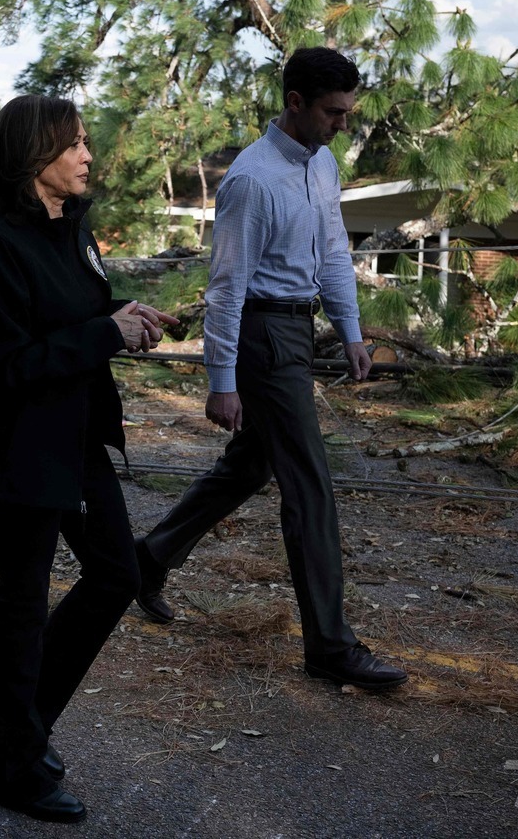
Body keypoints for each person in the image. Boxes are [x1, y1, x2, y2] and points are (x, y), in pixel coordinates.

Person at [133, 48, 408, 691]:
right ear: (295, 103)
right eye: (333, 112)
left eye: (348, 111)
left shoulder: (323, 162)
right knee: (309, 484)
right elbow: (225, 286)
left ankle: (147, 560)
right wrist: (220, 379)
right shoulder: (252, 180)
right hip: (261, 334)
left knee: (252, 463)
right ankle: (331, 647)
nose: (343, 123)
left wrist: (349, 330)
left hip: (297, 328)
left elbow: (335, 252)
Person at [0, 95, 179, 824]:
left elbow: (79, 319)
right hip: (18, 448)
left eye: (86, 142)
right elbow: (4, 367)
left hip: (77, 437)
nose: (89, 155)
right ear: (33, 158)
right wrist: (103, 334)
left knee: (118, 572)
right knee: (23, 603)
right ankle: (13, 763)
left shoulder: (73, 231)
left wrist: (127, 319)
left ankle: (21, 724)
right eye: (75, 144)